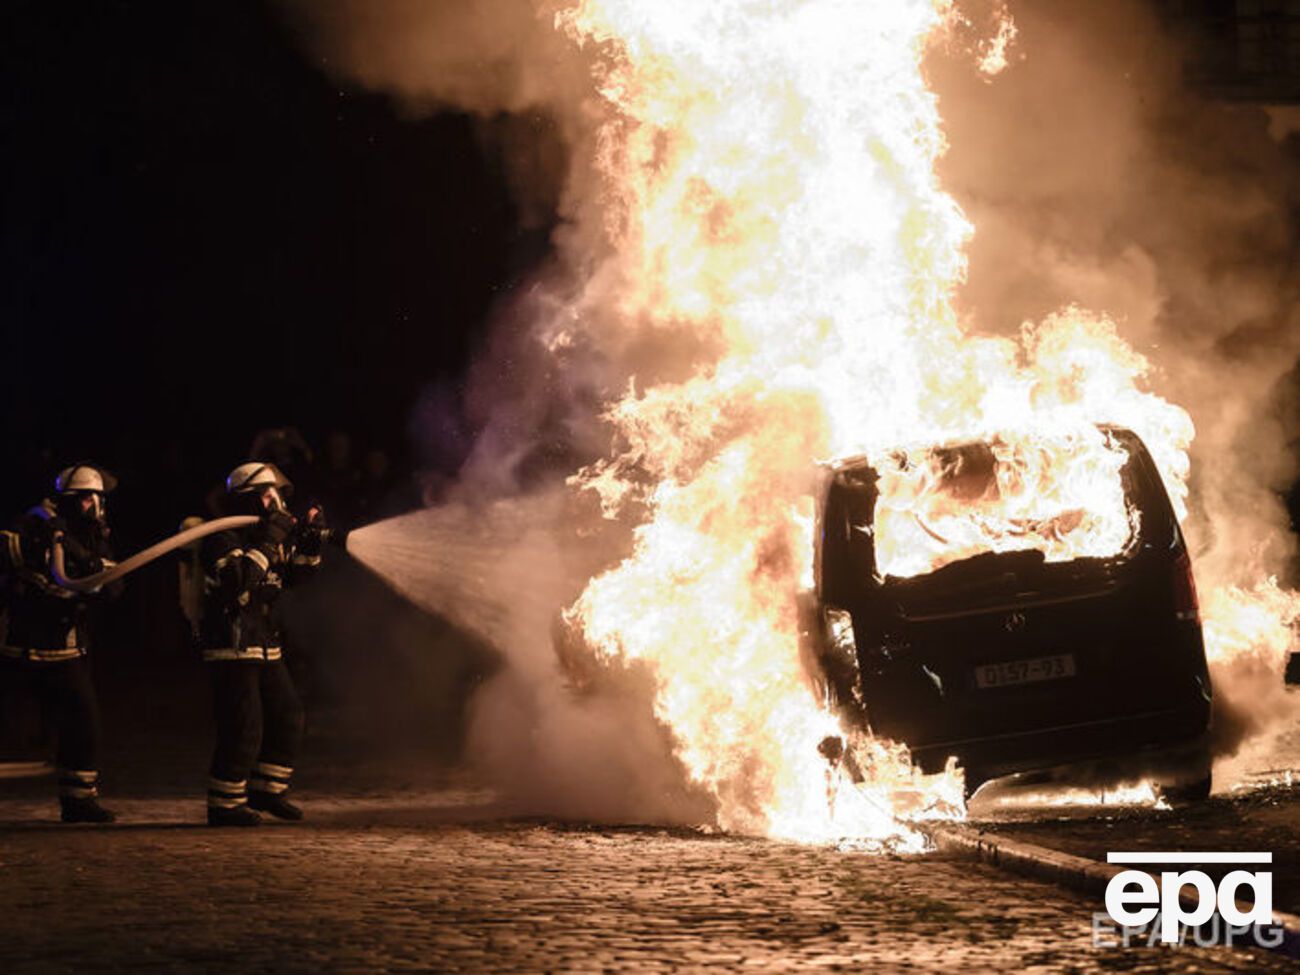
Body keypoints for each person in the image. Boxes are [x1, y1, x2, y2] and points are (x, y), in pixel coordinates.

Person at [198, 462, 324, 826]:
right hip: (232, 644)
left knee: (288, 714)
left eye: (276, 495)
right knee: (244, 724)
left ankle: (267, 790)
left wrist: (311, 543)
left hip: (264, 640)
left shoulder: (268, 536)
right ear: (248, 501)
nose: (276, 502)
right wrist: (270, 540)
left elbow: (295, 577)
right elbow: (237, 583)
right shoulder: (223, 537)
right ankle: (224, 803)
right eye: (267, 495)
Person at [0, 464, 120, 823]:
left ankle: (78, 799)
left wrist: (78, 551)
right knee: (11, 726)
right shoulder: (32, 525)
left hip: (65, 648)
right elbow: (12, 555)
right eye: (87, 499)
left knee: (84, 722)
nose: (94, 507)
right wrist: (45, 542)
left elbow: (112, 584)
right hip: (18, 647)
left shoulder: (90, 534)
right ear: (68, 499)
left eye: (97, 500)